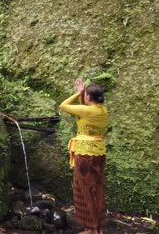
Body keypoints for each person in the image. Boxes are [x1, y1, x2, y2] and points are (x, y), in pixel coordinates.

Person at [60, 79, 108, 234]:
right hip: (99, 154)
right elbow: (85, 112)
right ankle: (97, 227)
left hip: (85, 156)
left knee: (85, 190)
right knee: (97, 189)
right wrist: (84, 94)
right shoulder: (102, 110)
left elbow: (63, 105)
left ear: (88, 97)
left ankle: (92, 229)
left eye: (85, 95)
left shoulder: (88, 110)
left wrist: (77, 93)